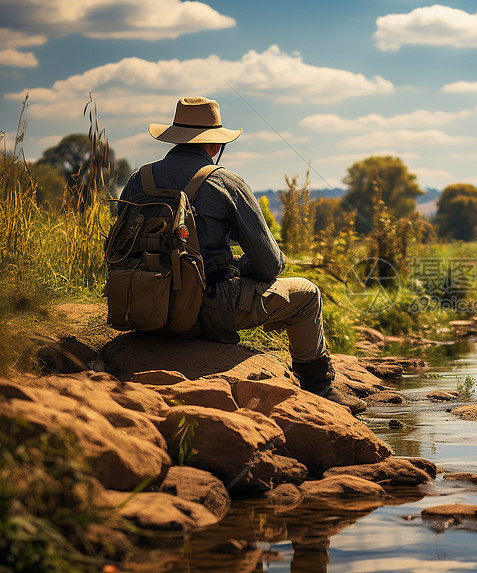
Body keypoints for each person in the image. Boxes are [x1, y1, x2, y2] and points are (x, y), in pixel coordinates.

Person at [119, 96, 365, 414]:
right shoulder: (225, 182)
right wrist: (239, 265)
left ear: (175, 137)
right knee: (307, 293)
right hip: (205, 310)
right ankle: (320, 389)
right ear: (215, 145)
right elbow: (270, 265)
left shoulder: (140, 179)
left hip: (142, 309)